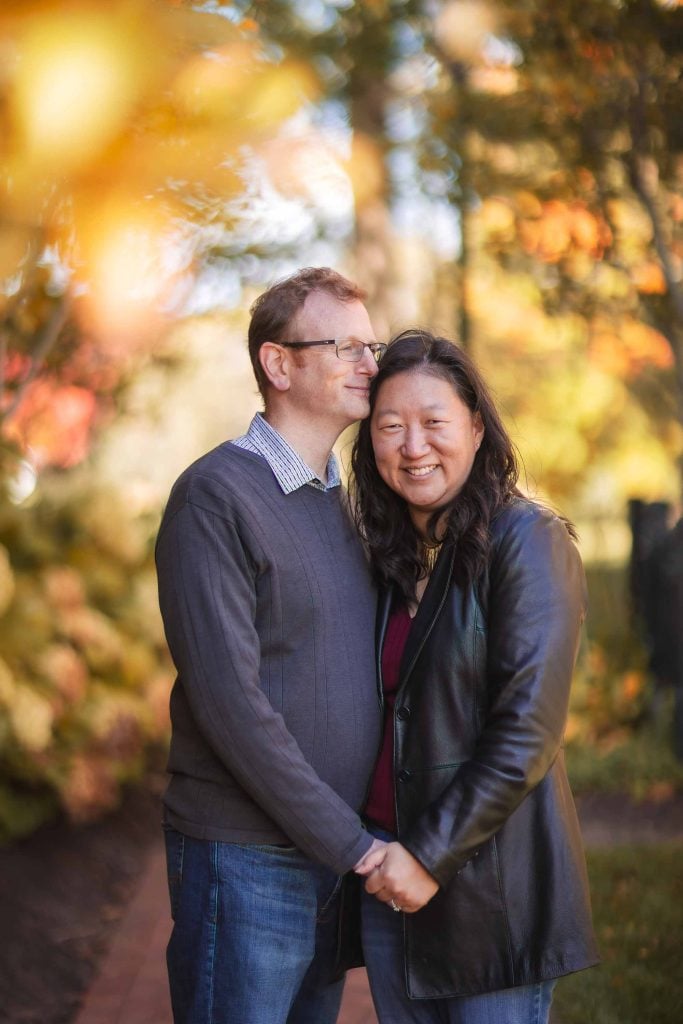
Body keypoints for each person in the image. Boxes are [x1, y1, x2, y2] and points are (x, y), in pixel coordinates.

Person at [155, 267, 388, 1024]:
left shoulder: (342, 507)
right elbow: (231, 706)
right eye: (345, 347)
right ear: (277, 363)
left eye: (371, 346)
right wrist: (349, 844)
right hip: (246, 859)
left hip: (325, 853)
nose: (369, 365)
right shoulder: (216, 496)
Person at [350, 329, 599, 1023]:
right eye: (389, 426)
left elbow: (525, 731)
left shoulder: (528, 540)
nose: (412, 445)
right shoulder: (386, 555)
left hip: (490, 892)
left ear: (477, 428)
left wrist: (426, 858)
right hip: (386, 879)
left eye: (433, 423)